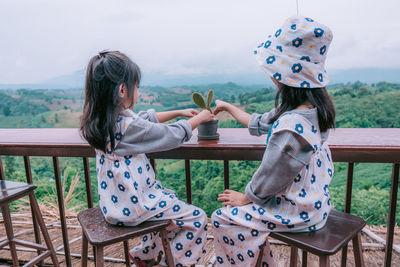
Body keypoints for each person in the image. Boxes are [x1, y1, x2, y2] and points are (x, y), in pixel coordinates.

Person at [211, 16, 336, 266]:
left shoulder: (291, 126)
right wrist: (228, 108)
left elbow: (272, 174)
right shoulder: (309, 112)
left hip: (298, 212)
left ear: (284, 75)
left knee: (222, 218)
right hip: (316, 204)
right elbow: (258, 122)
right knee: (240, 220)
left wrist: (248, 196)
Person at [80, 50, 213, 267]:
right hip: (135, 208)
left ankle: (144, 256)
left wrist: (177, 112)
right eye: (137, 86)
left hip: (113, 205)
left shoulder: (100, 122)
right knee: (196, 218)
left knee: (167, 210)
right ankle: (170, 262)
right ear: (123, 89)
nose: (138, 92)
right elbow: (171, 135)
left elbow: (143, 120)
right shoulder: (126, 128)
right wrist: (201, 118)